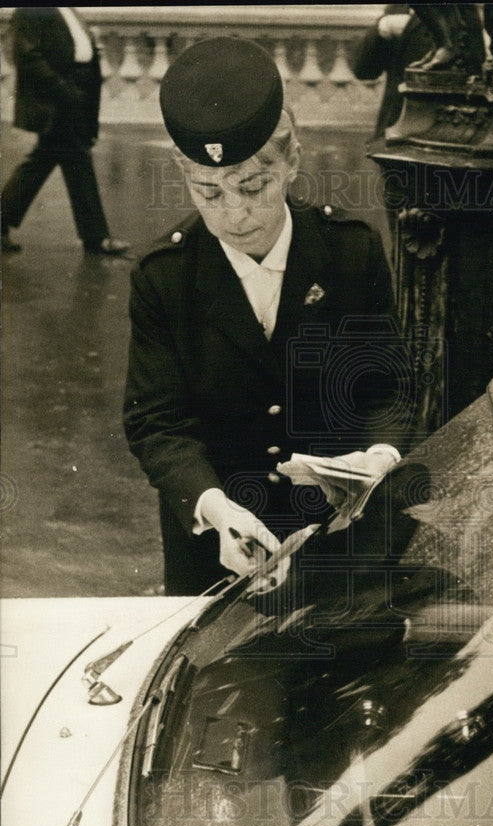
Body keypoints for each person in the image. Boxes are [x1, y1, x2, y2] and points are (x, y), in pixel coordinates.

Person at [124, 38, 414, 596]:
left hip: (340, 539)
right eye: (207, 191)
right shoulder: (164, 276)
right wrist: (213, 508)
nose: (234, 213)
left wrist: (377, 461)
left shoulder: (350, 252)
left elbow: (387, 388)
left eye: (252, 186)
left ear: (292, 160)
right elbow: (157, 424)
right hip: (216, 551)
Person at [1, 7, 129, 256]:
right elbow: (27, 57)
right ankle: (97, 238)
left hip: (77, 92)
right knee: (76, 158)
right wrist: (64, 90)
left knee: (46, 160)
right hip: (58, 97)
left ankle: (95, 237)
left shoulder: (68, 9)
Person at [350, 5, 431, 138]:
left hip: (438, 128)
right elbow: (364, 71)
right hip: (393, 126)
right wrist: (382, 28)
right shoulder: (400, 7)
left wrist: (411, 30)